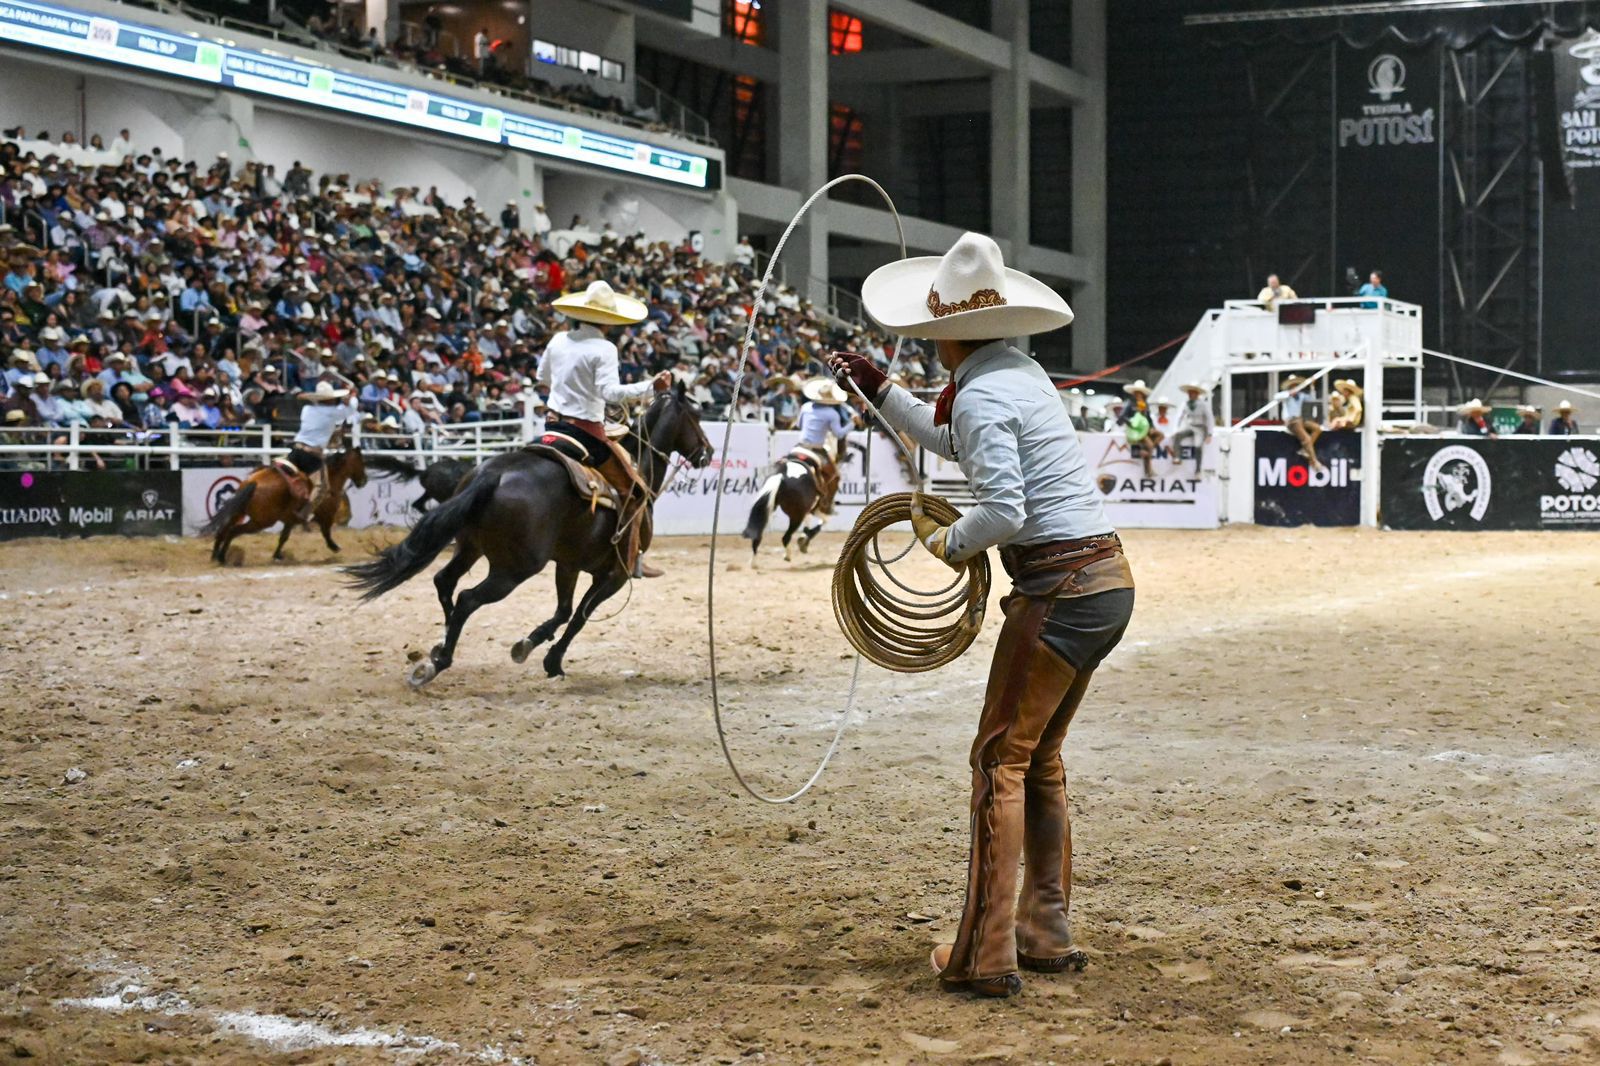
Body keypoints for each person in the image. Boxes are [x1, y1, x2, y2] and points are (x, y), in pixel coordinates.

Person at [830, 232, 1134, 999]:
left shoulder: (987, 389)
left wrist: (944, 542)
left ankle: (985, 951)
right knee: (1040, 758)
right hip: (1103, 580)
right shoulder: (1016, 373)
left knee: (998, 759)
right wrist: (881, 391)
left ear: (949, 331)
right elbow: (953, 439)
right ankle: (1044, 928)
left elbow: (1002, 509)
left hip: (1058, 588)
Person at [537, 280, 671, 578]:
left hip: (552, 425)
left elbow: (542, 376)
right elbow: (609, 392)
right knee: (634, 491)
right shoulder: (604, 348)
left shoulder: (558, 340)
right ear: (609, 321)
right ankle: (631, 558)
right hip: (585, 432)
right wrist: (651, 386)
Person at [289, 380, 359, 522]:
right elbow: (351, 409)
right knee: (322, 488)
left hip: (295, 450)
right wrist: (352, 397)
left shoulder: (307, 410)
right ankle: (304, 515)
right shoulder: (332, 412)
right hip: (311, 455)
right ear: (330, 399)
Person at [793, 377, 857, 516]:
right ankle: (825, 502)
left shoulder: (806, 407)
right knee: (835, 475)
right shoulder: (832, 414)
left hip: (800, 446)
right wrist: (852, 424)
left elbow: (799, 425)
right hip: (816, 449)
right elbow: (839, 435)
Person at [1279, 374, 1324, 471]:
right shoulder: (1286, 396)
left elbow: (1312, 399)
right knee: (1306, 438)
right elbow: (1277, 397)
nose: (1294, 387)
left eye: (1296, 385)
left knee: (1317, 428)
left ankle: (1305, 450)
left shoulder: (1301, 396)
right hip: (1291, 421)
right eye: (1292, 386)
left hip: (1300, 419)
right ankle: (1314, 461)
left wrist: (1312, 386)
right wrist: (1288, 394)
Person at [1117, 380, 1160, 477]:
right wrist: (1131, 423)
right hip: (1135, 430)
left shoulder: (1145, 405)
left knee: (1159, 436)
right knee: (1149, 445)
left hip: (1144, 430)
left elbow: (1149, 418)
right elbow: (1122, 417)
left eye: (1140, 393)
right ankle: (1147, 467)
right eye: (1136, 393)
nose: (1138, 395)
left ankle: (1144, 456)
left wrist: (1152, 427)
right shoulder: (1130, 404)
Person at [1169, 382, 1214, 474]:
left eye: (1192, 393)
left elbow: (1209, 418)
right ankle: (1177, 457)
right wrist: (1176, 428)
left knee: (1198, 445)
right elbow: (1179, 416)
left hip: (1199, 427)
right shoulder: (1185, 404)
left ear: (1197, 393)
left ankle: (1198, 469)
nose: (1190, 394)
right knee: (1177, 435)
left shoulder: (1203, 404)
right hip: (1189, 425)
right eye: (1189, 393)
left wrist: (1209, 433)